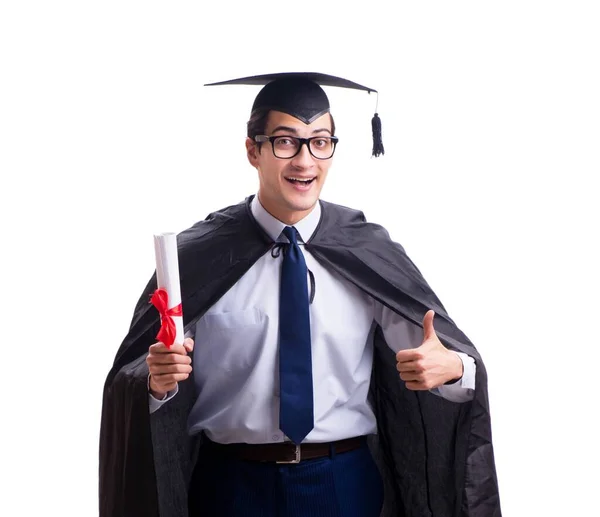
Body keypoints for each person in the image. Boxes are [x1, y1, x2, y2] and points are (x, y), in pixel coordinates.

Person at [99, 73, 501, 517]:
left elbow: (448, 361)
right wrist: (156, 384)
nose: (305, 161)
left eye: (320, 141)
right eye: (286, 142)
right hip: (229, 487)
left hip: (342, 485)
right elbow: (134, 382)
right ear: (253, 150)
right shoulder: (197, 257)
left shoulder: (367, 249)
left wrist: (453, 368)